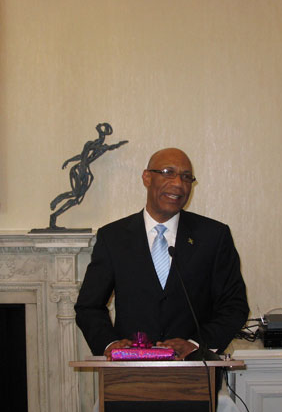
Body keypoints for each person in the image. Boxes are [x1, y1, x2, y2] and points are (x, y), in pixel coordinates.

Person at [75, 147, 249, 360]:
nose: (178, 184)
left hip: (195, 372)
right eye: (168, 172)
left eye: (186, 177)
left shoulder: (214, 236)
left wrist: (196, 345)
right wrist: (110, 345)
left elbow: (234, 306)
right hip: (128, 374)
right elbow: (89, 306)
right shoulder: (113, 238)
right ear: (147, 177)